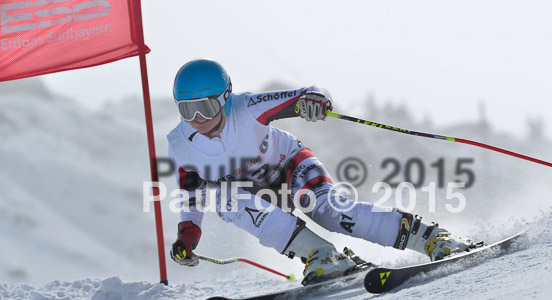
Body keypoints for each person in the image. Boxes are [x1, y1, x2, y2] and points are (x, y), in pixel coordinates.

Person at [167, 59, 475, 284]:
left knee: (327, 211)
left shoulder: (247, 107)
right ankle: (322, 256)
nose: (196, 119)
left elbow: (308, 92)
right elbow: (192, 198)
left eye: (205, 108)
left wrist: (314, 100)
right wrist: (187, 237)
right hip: (254, 194)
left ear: (225, 99)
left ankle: (433, 238)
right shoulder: (181, 144)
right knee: (224, 200)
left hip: (290, 167)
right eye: (186, 110)